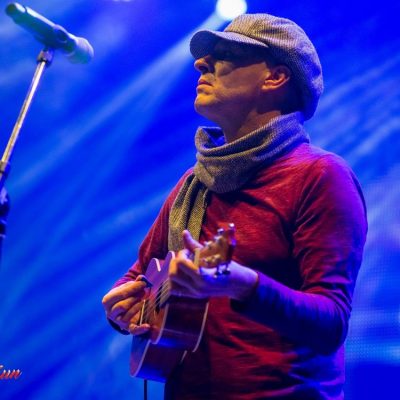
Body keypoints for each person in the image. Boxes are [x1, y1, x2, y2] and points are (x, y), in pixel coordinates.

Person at [102, 13, 367, 399]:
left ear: (275, 77)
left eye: (225, 53)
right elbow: (140, 276)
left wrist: (245, 285)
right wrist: (124, 307)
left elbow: (331, 323)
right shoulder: (195, 183)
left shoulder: (321, 176)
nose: (201, 63)